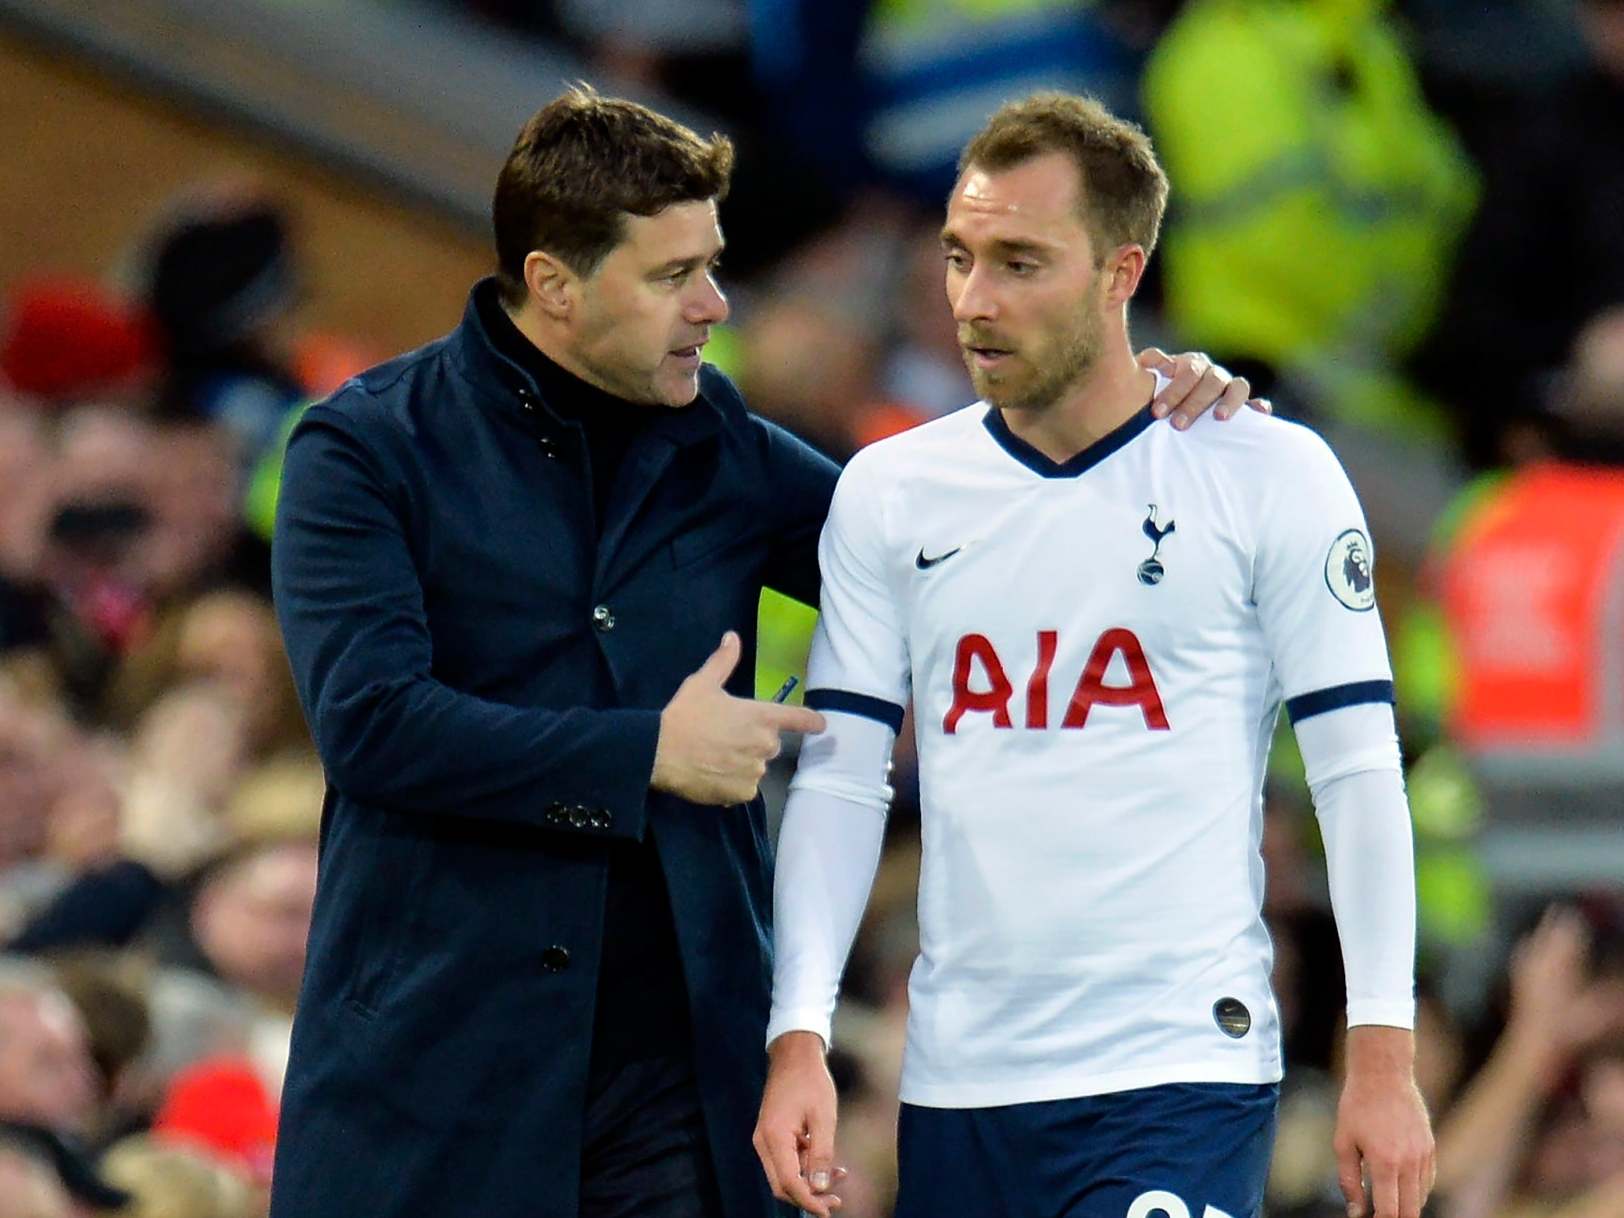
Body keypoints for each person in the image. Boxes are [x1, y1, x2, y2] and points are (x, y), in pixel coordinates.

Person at [269, 86, 1254, 1218]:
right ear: (552, 283)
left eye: (714, 264)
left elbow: (977, 568)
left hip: (680, 1084)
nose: (713, 304)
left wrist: (1143, 424)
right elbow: (371, 724)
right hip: (437, 1077)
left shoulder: (719, 443)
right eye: (672, 275)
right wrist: (644, 752)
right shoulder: (366, 449)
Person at [755, 92, 1433, 1218]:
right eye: (960, 257)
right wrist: (799, 1035)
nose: (975, 300)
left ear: (1121, 274)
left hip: (1177, 1074)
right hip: (958, 1085)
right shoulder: (890, 490)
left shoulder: (1264, 473)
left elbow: (1359, 775)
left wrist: (1380, 1054)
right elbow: (840, 778)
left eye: (1022, 262)